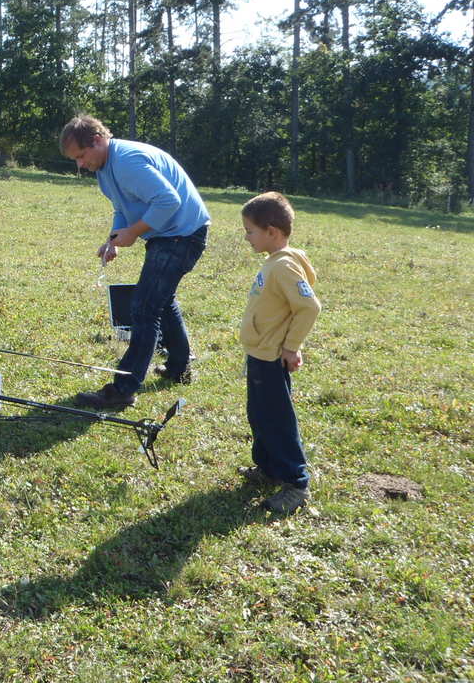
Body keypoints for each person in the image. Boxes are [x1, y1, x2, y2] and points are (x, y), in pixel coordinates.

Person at [60, 115, 210, 409]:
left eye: (81, 155)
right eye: (75, 160)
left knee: (144, 306)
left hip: (183, 234)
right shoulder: (104, 168)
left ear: (97, 141)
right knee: (161, 301)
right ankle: (179, 368)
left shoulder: (127, 161)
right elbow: (122, 206)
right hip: (168, 234)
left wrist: (134, 232)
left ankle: (123, 389)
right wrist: (114, 238)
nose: (80, 165)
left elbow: (169, 201)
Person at [238, 192, 321, 514]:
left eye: (250, 231)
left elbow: (309, 306)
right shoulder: (274, 262)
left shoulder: (284, 266)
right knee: (259, 414)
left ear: (271, 231)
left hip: (272, 356)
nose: (247, 237)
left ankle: (295, 483)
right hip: (259, 352)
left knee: (277, 419)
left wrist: (291, 347)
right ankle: (269, 468)